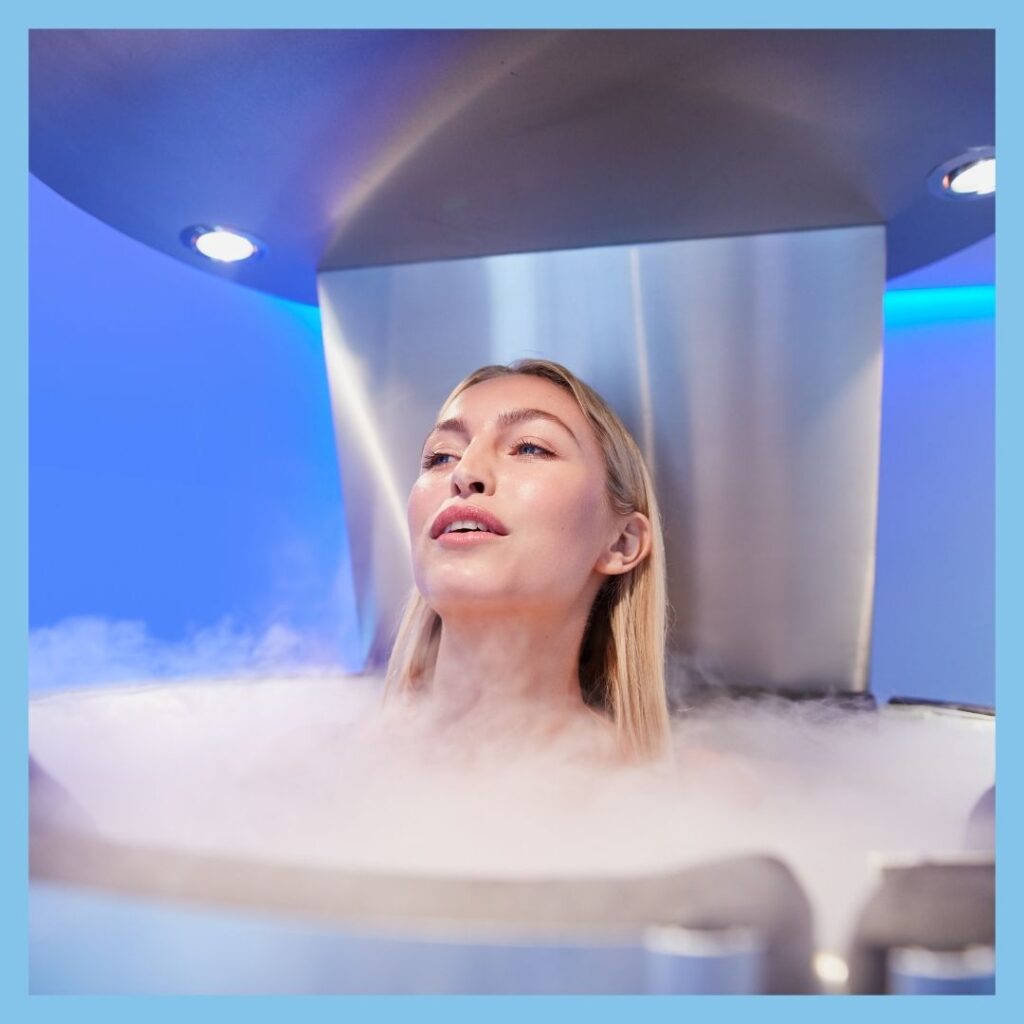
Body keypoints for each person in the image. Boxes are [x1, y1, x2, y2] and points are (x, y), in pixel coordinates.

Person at [383, 359, 671, 762]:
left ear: (621, 542)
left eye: (530, 447)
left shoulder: (690, 795)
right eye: (441, 456)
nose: (464, 472)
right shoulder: (314, 766)